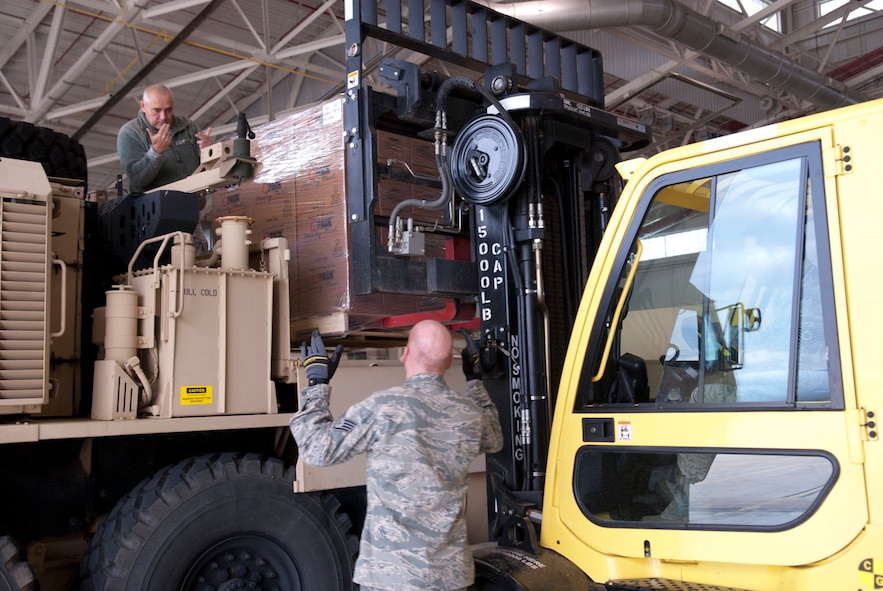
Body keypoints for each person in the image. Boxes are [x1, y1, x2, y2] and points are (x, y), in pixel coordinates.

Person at [289, 320, 503, 591]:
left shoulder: (382, 409)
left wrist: (317, 384)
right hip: (450, 577)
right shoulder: (468, 415)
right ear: (450, 362)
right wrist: (474, 380)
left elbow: (317, 450)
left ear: (405, 354)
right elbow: (494, 438)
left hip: (391, 577)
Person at [117, 83, 212, 193]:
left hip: (193, 204)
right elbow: (137, 179)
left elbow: (206, 170)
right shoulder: (130, 133)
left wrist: (208, 152)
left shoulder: (188, 126)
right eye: (156, 110)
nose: (163, 117)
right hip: (154, 207)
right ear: (143, 106)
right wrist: (155, 153)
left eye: (168, 110)